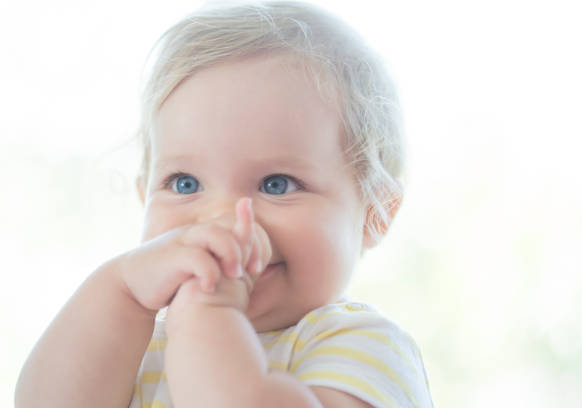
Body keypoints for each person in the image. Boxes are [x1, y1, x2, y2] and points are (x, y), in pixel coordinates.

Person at [15, 1, 434, 407]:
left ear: (376, 213)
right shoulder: (139, 345)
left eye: (276, 184)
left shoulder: (363, 347)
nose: (222, 219)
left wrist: (209, 318)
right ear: (145, 199)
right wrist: (120, 288)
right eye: (184, 183)